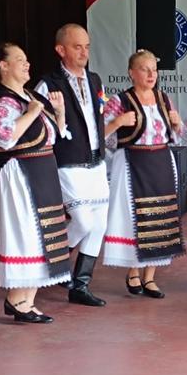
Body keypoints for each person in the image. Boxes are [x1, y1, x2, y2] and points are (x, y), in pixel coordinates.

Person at [0, 42, 72, 323]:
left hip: (42, 171)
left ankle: (28, 299)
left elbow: (53, 136)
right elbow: (5, 138)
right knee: (25, 233)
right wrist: (32, 113)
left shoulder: (30, 96)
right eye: (20, 60)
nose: (27, 64)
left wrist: (57, 113)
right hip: (20, 174)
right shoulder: (6, 102)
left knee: (41, 235)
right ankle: (15, 299)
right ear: (4, 65)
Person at [100, 50, 186, 298]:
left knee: (160, 216)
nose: (151, 74)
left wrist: (177, 123)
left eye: (154, 70)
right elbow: (101, 137)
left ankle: (150, 277)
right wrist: (117, 122)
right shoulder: (120, 101)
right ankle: (133, 271)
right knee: (134, 217)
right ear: (132, 73)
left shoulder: (163, 98)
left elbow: (175, 135)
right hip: (132, 163)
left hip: (160, 161)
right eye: (145, 69)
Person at [35, 24, 109, 307]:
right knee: (83, 220)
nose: (84, 52)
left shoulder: (95, 80)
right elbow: (40, 126)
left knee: (99, 224)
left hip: (95, 160)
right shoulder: (48, 84)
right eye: (77, 47)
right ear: (60, 50)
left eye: (87, 46)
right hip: (67, 161)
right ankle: (51, 261)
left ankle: (81, 284)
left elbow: (97, 118)